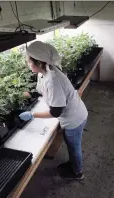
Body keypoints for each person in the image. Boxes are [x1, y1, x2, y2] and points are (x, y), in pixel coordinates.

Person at [19, 41, 88, 180]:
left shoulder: (54, 80)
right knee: (70, 144)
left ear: (39, 63)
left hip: (74, 119)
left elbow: (56, 112)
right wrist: (30, 94)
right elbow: (42, 89)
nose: (28, 64)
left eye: (29, 62)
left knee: (74, 147)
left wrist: (32, 114)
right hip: (73, 113)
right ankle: (73, 164)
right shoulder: (44, 72)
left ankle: (77, 173)